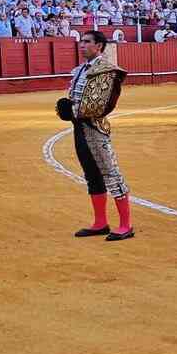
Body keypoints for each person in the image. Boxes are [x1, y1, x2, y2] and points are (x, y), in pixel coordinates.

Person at [57, 30, 133, 241]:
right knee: (92, 175)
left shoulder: (106, 70)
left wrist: (72, 111)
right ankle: (100, 223)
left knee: (111, 174)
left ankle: (126, 225)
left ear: (98, 46)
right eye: (81, 41)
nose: (82, 45)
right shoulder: (82, 69)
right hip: (79, 128)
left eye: (87, 42)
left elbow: (104, 104)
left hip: (95, 128)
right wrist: (68, 111)